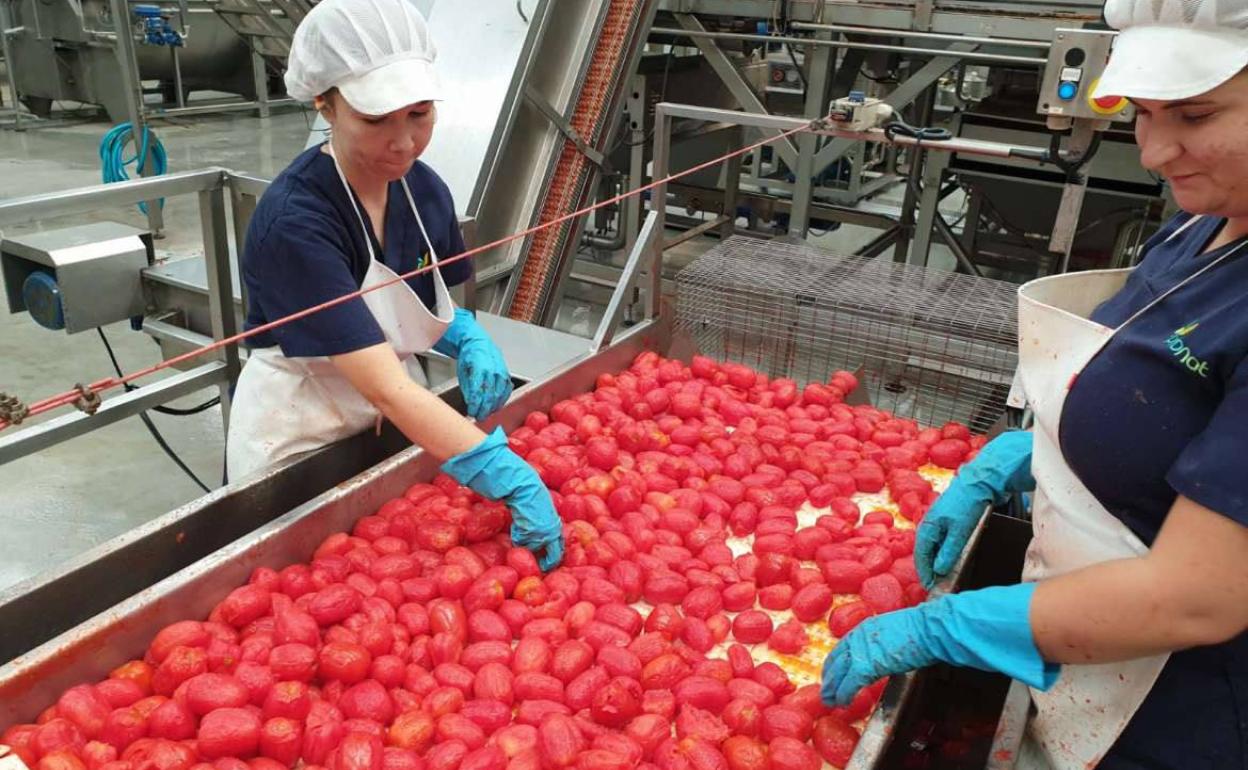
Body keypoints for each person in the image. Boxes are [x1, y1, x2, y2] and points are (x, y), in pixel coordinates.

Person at [820, 1, 1248, 766]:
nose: (1155, 152)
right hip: (1087, 655)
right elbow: (1150, 391)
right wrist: (1029, 451)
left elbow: (1199, 597)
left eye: (1194, 114)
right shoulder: (1203, 222)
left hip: (1180, 717)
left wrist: (947, 624)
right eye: (1144, 114)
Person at [225, 0, 563, 570]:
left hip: (386, 414)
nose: (404, 142)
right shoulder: (295, 223)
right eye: (376, 119)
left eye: (420, 114)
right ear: (325, 102)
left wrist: (464, 335)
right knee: (296, 575)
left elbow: (417, 300)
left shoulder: (423, 190)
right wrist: (505, 474)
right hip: (299, 426)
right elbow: (385, 386)